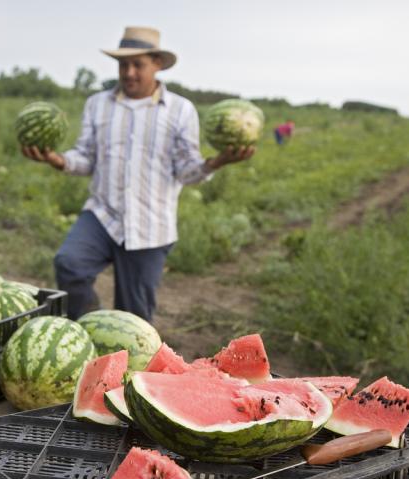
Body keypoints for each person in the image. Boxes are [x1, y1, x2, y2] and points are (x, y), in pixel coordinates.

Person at [21, 26, 255, 321]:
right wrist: (58, 160)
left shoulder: (181, 110)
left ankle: (129, 358)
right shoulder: (97, 105)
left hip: (149, 225)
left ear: (157, 64)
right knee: (69, 263)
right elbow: (86, 157)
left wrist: (216, 162)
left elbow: (186, 170)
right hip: (102, 215)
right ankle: (88, 325)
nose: (129, 72)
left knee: (135, 316)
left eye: (138, 64)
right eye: (123, 64)